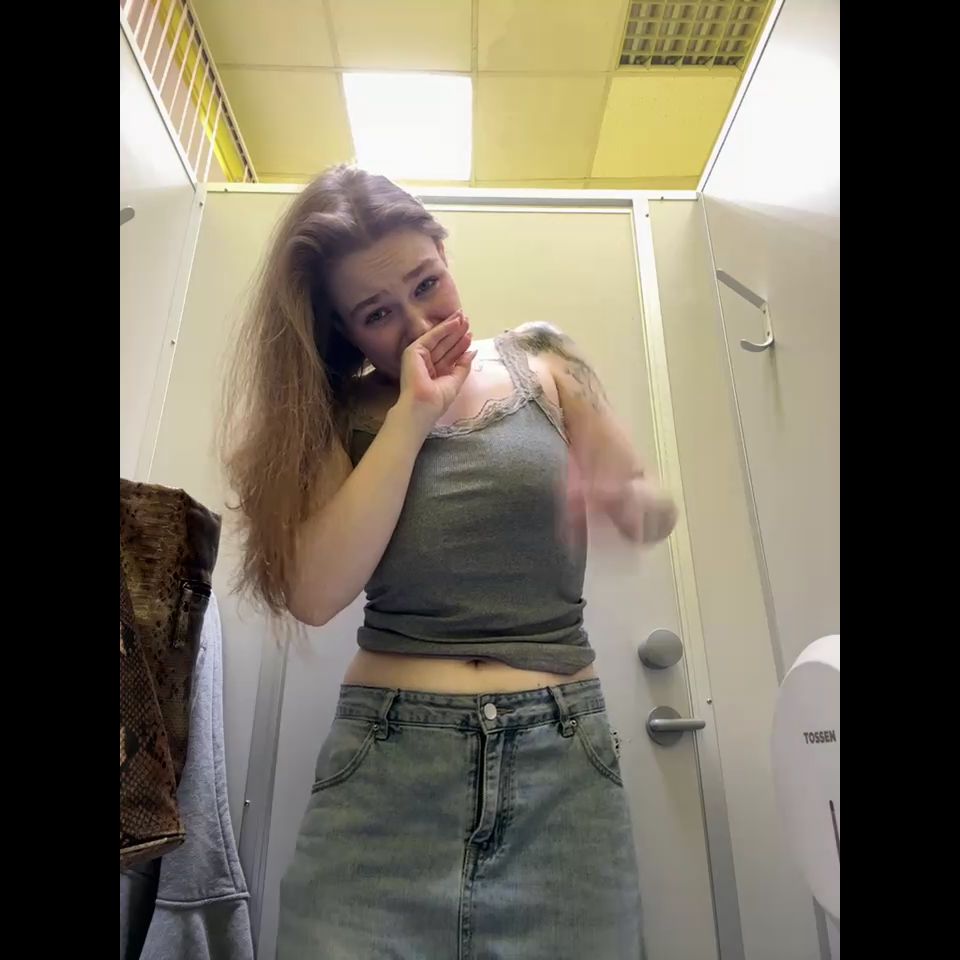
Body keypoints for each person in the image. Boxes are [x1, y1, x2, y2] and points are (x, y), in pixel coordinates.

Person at [223, 165, 678, 958]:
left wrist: (628, 502)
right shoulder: (339, 414)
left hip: (561, 767)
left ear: (443, 250)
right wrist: (413, 413)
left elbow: (648, 506)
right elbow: (316, 594)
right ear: (345, 332)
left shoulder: (546, 360)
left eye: (427, 283)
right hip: (386, 770)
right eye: (377, 314)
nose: (417, 322)